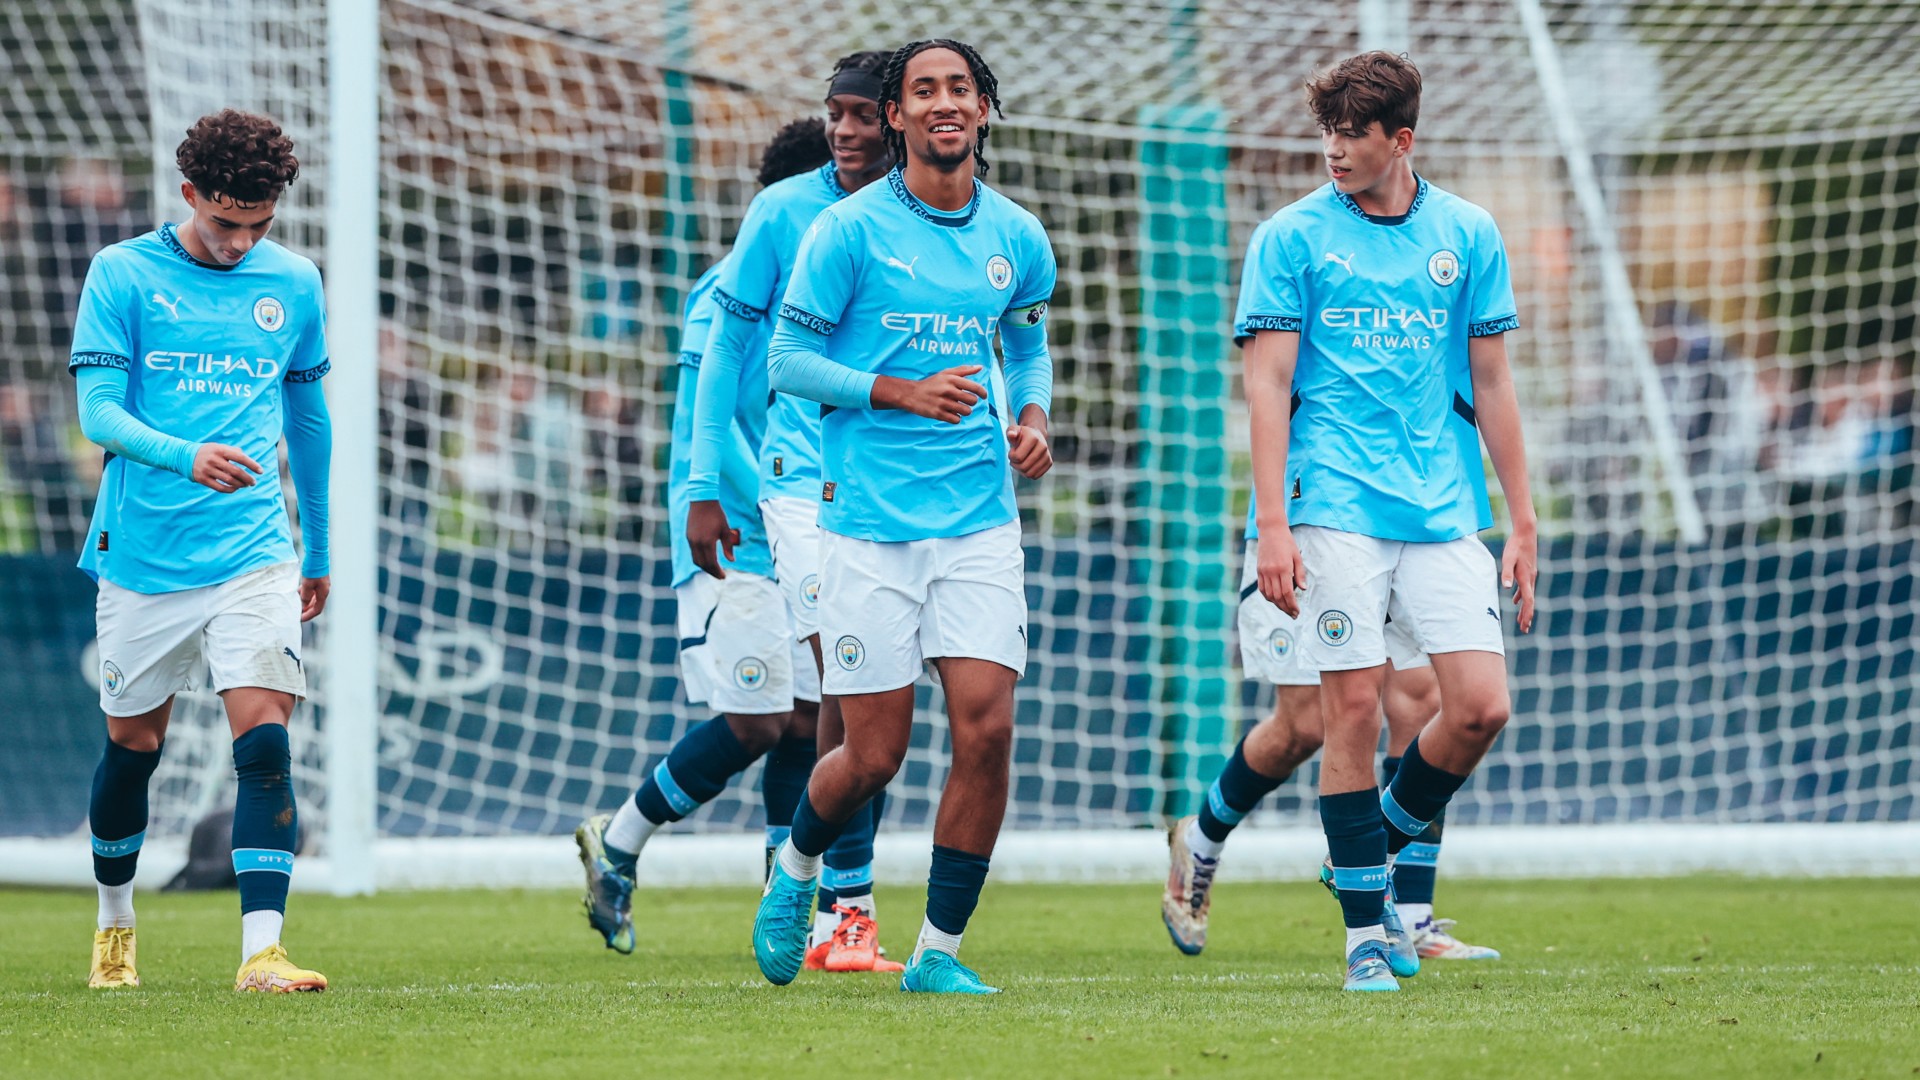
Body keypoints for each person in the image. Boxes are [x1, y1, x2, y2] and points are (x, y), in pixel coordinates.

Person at [752, 38, 1055, 995]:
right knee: (873, 753)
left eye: (959, 88)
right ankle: (796, 868)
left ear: (984, 109)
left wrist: (1034, 418)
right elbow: (785, 367)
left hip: (978, 523)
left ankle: (938, 954)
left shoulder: (1018, 236)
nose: (942, 104)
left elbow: (1028, 349)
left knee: (988, 730)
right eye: (922, 91)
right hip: (867, 525)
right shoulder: (845, 232)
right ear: (896, 117)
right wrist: (897, 390)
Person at [1235, 52, 1536, 992]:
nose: (1333, 151)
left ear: (1400, 141)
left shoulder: (1468, 233)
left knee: (1481, 707)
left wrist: (1522, 521)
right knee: (1354, 708)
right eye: (1326, 133)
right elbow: (1268, 383)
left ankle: (1364, 847)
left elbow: (1491, 384)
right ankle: (1369, 933)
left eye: (1352, 136)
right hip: (1330, 505)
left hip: (1443, 508)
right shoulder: (1290, 238)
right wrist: (1274, 525)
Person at [573, 118, 848, 959]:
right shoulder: (726, 287)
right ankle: (617, 841)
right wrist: (757, 493)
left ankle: (786, 906)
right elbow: (710, 408)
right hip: (736, 531)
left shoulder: (843, 285)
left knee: (810, 723)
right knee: (760, 721)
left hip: (810, 524)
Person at [70, 109, 332, 992]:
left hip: (255, 550)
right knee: (132, 748)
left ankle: (262, 950)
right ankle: (115, 923)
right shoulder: (122, 273)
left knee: (264, 742)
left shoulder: (294, 281)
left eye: (259, 226)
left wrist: (319, 545)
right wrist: (185, 455)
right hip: (142, 553)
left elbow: (310, 419)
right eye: (225, 222)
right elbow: (97, 414)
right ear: (189, 194)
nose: (239, 242)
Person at [687, 51, 903, 972]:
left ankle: (806, 883)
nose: (843, 131)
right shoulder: (781, 211)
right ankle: (842, 915)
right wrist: (703, 486)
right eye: (835, 114)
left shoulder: (938, 216)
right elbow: (724, 361)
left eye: (861, 115)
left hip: (899, 488)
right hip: (798, 487)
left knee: (861, 707)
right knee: (853, 694)